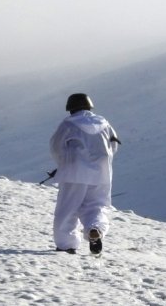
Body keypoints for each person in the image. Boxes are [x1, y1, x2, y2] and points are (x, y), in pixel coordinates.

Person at [50, 93, 120, 254]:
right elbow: (113, 146)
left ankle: (66, 243)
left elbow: (56, 147)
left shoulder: (68, 124)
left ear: (71, 108)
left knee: (68, 207)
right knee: (97, 204)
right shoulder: (104, 122)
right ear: (89, 106)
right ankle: (95, 229)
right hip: (102, 171)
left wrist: (63, 164)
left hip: (75, 171)